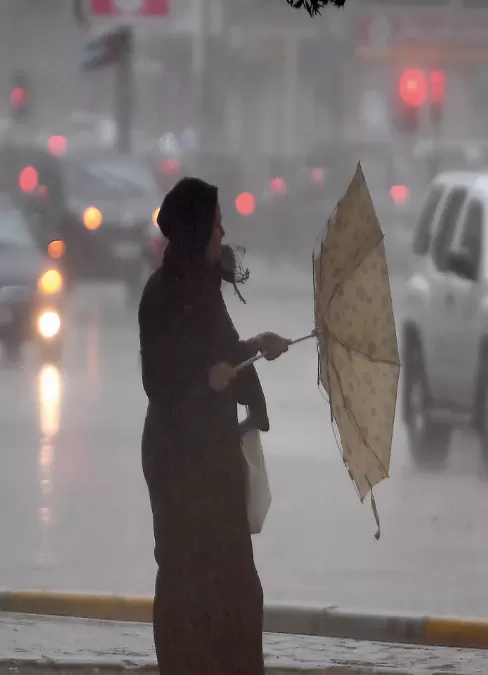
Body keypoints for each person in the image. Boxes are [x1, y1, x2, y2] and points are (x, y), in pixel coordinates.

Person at [138, 177, 290, 675]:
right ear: (195, 229)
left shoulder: (206, 290)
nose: (223, 233)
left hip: (215, 457)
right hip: (178, 460)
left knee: (236, 584)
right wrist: (206, 381)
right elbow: (161, 380)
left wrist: (255, 347)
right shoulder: (161, 296)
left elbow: (221, 355)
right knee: (185, 578)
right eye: (216, 224)